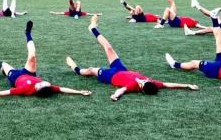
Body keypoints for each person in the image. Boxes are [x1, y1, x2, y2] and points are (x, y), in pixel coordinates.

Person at [66, 15, 198, 101]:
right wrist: (187, 85)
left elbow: (121, 90)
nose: (141, 81)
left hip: (110, 76)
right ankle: (93, 28)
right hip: (121, 69)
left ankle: (76, 69)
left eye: (141, 84)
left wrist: (115, 96)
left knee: (90, 70)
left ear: (141, 89)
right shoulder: (152, 83)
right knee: (109, 47)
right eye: (144, 81)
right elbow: (167, 84)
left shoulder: (134, 85)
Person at [0, 20, 91, 99]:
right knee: (32, 55)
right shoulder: (48, 88)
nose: (44, 82)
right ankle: (28, 33)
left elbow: (7, 92)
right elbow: (63, 89)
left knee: (2, 63)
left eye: (42, 84)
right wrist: (80, 92)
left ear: (38, 88)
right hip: (29, 73)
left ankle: (3, 69)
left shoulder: (24, 89)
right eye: (45, 83)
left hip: (15, 77)